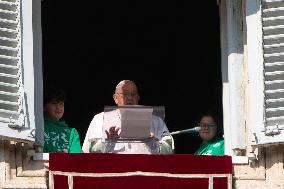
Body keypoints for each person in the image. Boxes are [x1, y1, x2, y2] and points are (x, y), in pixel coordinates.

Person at [82, 80, 174, 154]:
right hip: (113, 172)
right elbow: (89, 152)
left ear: (138, 97)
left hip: (145, 171)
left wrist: (154, 144)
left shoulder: (156, 121)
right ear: (115, 98)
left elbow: (170, 151)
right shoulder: (100, 119)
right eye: (125, 94)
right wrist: (108, 141)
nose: (130, 98)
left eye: (133, 94)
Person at [43, 88, 81, 153]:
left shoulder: (72, 132)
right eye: (54, 103)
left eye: (61, 104)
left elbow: (76, 157)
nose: (58, 107)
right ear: (44, 107)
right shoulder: (38, 127)